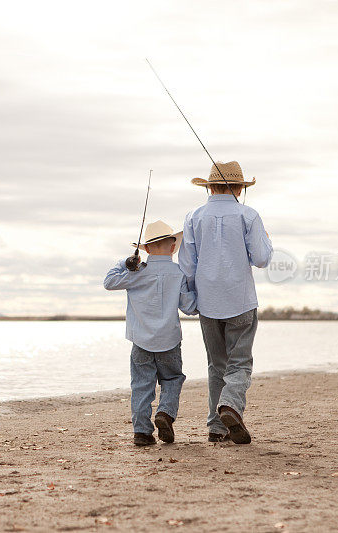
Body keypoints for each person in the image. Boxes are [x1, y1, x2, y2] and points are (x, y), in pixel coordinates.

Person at [179, 161, 272, 444]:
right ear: (239, 188)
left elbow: (186, 265)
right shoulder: (248, 215)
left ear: (209, 186)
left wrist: (189, 300)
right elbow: (262, 258)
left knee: (216, 365)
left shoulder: (194, 217)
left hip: (207, 301)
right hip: (241, 299)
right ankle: (230, 404)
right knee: (240, 363)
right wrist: (266, 241)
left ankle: (217, 429)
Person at [104, 220, 197, 446]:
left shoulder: (136, 272)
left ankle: (142, 432)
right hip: (170, 340)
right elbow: (190, 307)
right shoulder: (178, 273)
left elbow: (108, 282)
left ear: (145, 249)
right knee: (173, 379)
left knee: (141, 385)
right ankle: (164, 412)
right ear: (173, 247)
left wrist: (125, 264)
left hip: (141, 341)